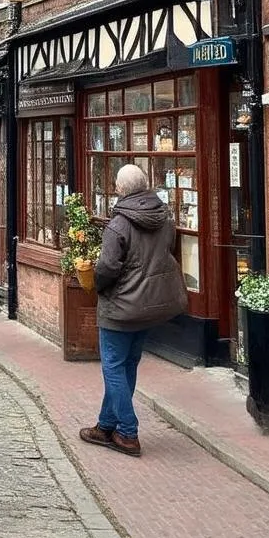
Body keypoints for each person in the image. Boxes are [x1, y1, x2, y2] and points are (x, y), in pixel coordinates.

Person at [80, 163, 188, 458]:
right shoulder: (164, 217)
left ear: (121, 189)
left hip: (120, 307)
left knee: (113, 366)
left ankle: (127, 432)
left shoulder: (118, 224)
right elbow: (167, 251)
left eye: (116, 185)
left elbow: (107, 267)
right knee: (127, 365)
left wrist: (98, 285)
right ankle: (105, 426)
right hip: (149, 305)